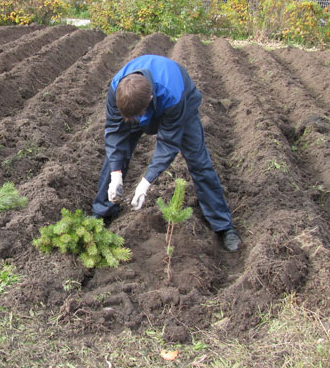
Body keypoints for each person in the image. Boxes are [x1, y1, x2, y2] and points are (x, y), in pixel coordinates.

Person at [91, 54, 242, 252]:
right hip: (137, 106)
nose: (133, 120)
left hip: (181, 108)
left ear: (150, 100)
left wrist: (145, 183)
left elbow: (168, 144)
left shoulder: (173, 94)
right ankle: (102, 211)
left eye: (136, 117)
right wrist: (116, 175)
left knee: (199, 162)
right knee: (115, 158)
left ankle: (223, 226)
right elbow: (114, 131)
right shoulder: (117, 89)